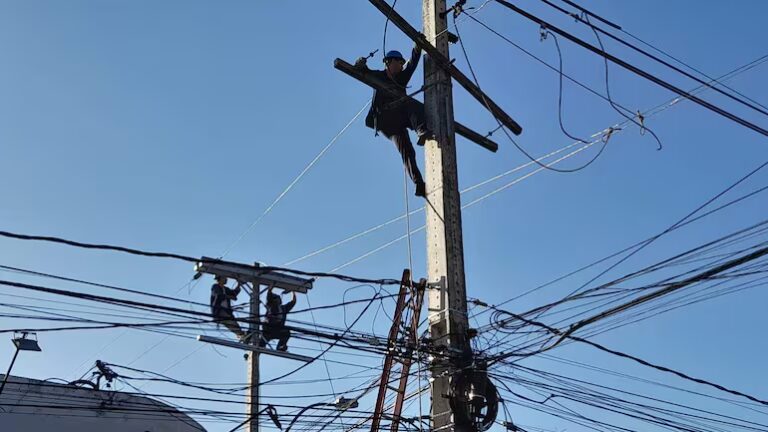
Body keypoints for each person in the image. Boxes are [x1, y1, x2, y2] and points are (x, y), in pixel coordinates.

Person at [355, 46, 433, 197]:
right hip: (386, 121)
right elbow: (362, 71)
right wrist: (361, 63)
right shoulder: (378, 76)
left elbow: (413, 63)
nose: (401, 66)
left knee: (408, 151)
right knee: (409, 105)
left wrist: (417, 47)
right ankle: (420, 130)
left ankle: (419, 184)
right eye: (398, 63)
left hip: (399, 118)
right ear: (389, 63)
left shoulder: (402, 77)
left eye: (402, 63)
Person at [259, 286, 297, 351]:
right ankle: (258, 347)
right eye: (274, 298)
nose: (276, 300)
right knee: (261, 343)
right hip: (268, 329)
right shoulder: (270, 305)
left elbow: (293, 302)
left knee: (286, 333)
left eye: (277, 298)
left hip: (277, 329)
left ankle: (280, 347)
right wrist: (271, 287)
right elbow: (269, 294)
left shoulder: (283, 308)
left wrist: (293, 292)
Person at [210, 275, 246, 341]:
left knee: (232, 322)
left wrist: (239, 285)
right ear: (220, 278)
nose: (227, 279)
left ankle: (241, 335)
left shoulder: (225, 289)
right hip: (219, 310)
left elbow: (233, 294)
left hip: (226, 311)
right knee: (230, 322)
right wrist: (230, 297)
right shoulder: (215, 286)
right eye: (225, 278)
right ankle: (241, 334)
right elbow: (219, 295)